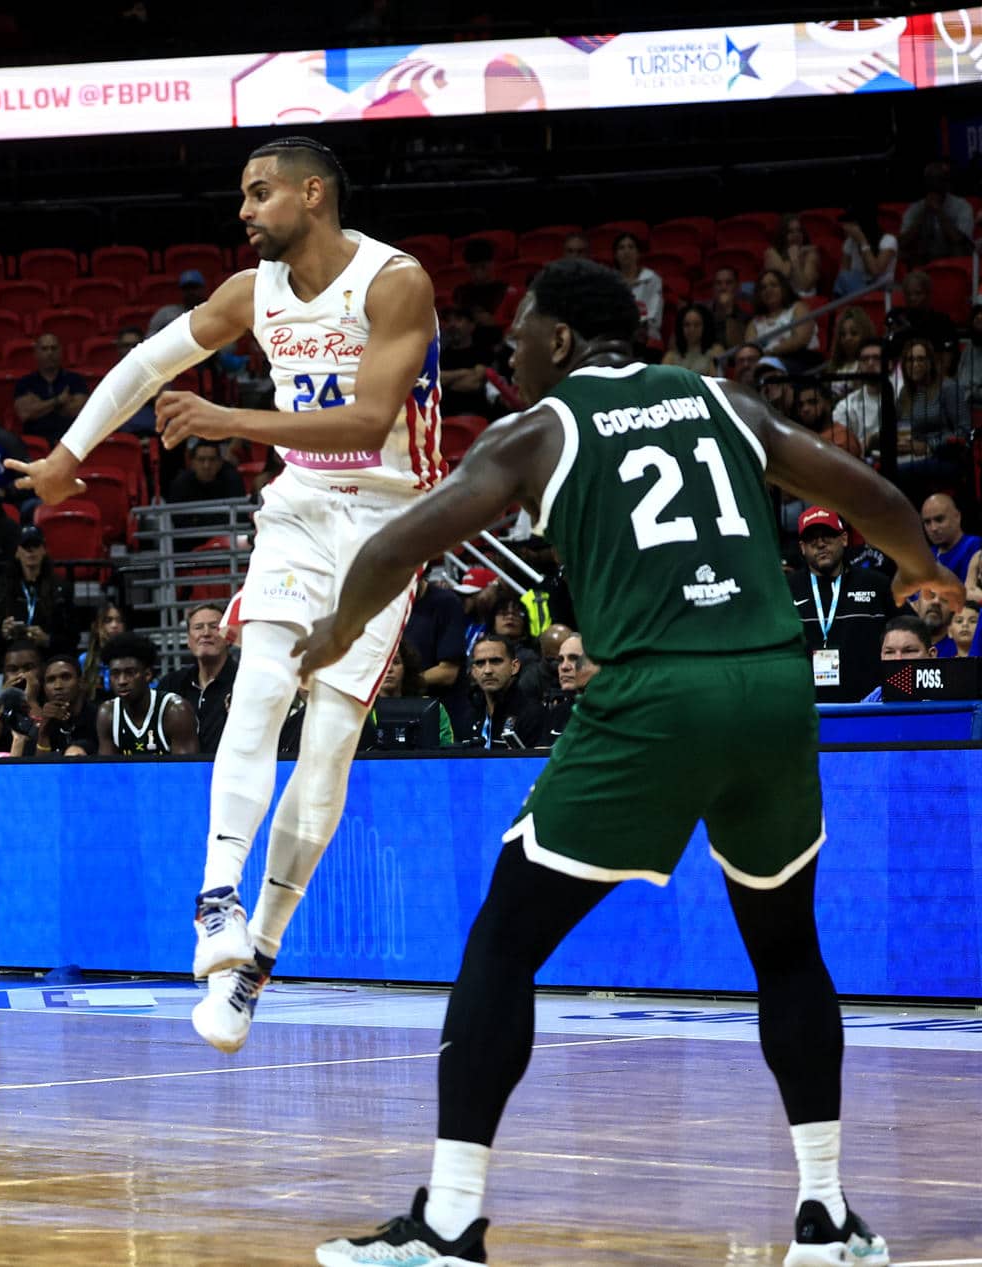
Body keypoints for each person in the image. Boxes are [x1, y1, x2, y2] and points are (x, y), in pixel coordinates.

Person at [295, 258, 953, 1266]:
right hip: (775, 692)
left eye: (517, 332)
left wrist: (336, 632)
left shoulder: (539, 431)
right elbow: (870, 494)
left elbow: (394, 547)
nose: (506, 353)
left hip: (655, 695)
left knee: (504, 943)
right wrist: (922, 573)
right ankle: (826, 1215)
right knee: (786, 947)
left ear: (558, 342)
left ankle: (450, 1221)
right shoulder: (724, 402)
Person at [6, 136, 443, 1052]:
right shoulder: (253, 292)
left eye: (259, 194)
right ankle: (215, 903)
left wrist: (227, 418)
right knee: (257, 689)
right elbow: (144, 366)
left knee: (325, 755)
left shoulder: (394, 281)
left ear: (313, 194)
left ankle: (258, 962)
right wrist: (67, 456)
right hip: (296, 509)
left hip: (388, 525)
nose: (243, 212)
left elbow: (367, 425)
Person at [789, 507, 894, 703]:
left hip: (868, 705)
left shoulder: (876, 584)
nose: (820, 544)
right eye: (812, 538)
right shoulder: (787, 589)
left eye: (828, 536)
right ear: (802, 547)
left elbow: (907, 631)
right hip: (805, 705)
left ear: (844, 539)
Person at [94, 635, 197, 755]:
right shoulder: (108, 714)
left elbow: (186, 771)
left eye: (130, 673)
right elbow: (108, 771)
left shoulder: (176, 712)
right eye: (115, 674)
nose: (122, 681)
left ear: (147, 675)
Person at [158, 602, 239, 754]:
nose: (206, 633)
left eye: (214, 626)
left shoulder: (244, 682)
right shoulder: (171, 685)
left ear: (229, 637)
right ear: (189, 640)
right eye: (198, 627)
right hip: (182, 774)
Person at [0, 525, 66, 665]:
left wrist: (47, 640)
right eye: (25, 546)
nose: (30, 550)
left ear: (44, 550)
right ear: (17, 552)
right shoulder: (1, 591)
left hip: (47, 660)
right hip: (11, 660)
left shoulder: (61, 590)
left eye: (35, 545)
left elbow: (72, 638)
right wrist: (3, 632)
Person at [448, 634, 546, 749]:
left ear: (514, 666)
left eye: (496, 661)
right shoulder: (467, 716)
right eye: (480, 663)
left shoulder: (532, 714)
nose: (488, 670)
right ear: (473, 672)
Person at [12, 333, 89, 442]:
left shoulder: (75, 380)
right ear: (36, 353)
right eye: (44, 349)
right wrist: (58, 401)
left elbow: (78, 411)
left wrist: (40, 405)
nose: (50, 353)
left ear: (61, 351)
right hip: (35, 440)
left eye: (54, 348)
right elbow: (25, 413)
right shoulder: (25, 382)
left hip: (70, 440)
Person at [899, 159, 974, 267]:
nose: (934, 185)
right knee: (903, 251)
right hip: (924, 259)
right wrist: (923, 214)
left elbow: (960, 241)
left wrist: (939, 211)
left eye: (938, 180)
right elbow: (902, 243)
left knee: (959, 248)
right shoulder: (916, 208)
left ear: (947, 184)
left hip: (952, 259)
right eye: (930, 181)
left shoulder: (962, 206)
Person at [611, 232, 664, 345]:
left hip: (646, 338)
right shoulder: (610, 281)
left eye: (631, 247)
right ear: (615, 254)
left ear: (638, 253)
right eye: (621, 248)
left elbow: (654, 315)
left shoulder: (652, 279)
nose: (626, 251)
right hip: (618, 337)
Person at [922, 491, 980, 581]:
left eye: (939, 519)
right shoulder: (928, 555)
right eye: (927, 522)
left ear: (957, 517)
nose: (933, 528)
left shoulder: (975, 546)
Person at [765, 213, 823, 299]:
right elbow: (782, 276)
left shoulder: (811, 254)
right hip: (781, 300)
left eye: (799, 230)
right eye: (790, 232)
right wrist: (794, 257)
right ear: (783, 235)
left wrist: (795, 260)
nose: (796, 235)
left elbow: (804, 287)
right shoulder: (772, 253)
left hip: (806, 301)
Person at [663, 302, 725, 376]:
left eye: (697, 325)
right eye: (687, 325)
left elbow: (715, 381)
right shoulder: (671, 356)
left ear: (705, 326)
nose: (691, 330)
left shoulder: (715, 351)